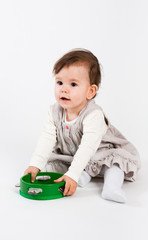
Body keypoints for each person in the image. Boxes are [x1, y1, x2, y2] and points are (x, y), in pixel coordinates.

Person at [24, 49, 140, 203]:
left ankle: (111, 187)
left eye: (73, 84)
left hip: (100, 153)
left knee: (115, 164)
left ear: (90, 91)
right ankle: (35, 180)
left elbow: (87, 147)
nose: (64, 89)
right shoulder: (54, 111)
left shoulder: (94, 115)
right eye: (59, 82)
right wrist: (35, 165)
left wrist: (73, 174)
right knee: (51, 163)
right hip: (73, 156)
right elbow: (47, 138)